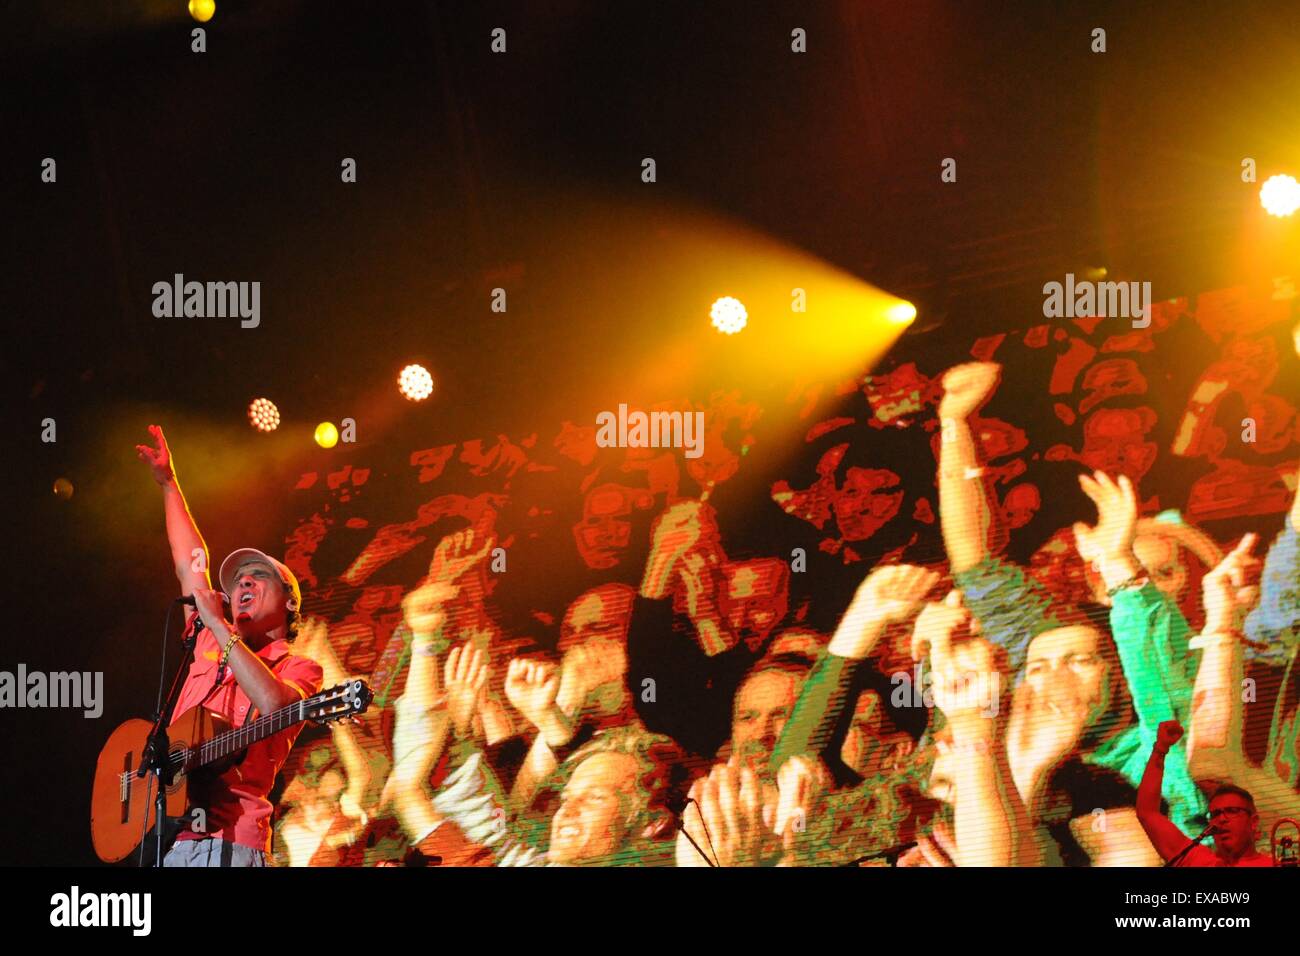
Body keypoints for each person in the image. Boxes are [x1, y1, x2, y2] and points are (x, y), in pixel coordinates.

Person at [136, 425, 324, 866]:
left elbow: (276, 706)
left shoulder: (299, 668)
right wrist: (168, 483)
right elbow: (189, 563)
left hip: (233, 843)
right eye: (238, 578)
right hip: (176, 839)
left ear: (289, 601)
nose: (243, 582)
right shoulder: (205, 638)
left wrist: (221, 627)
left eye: (257, 576)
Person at [1137, 721, 1273, 866]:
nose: (1222, 819)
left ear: (1253, 822)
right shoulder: (1198, 861)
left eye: (1232, 811)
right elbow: (1147, 813)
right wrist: (1160, 748)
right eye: (1215, 814)